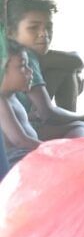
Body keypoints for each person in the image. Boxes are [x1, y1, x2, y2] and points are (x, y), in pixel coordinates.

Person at [6, 0, 84, 140]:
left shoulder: (17, 52)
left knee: (61, 71)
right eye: (33, 28)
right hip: (19, 132)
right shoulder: (25, 56)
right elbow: (48, 112)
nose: (44, 33)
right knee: (83, 128)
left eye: (48, 27)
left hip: (21, 125)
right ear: (11, 32)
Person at [0, 39, 41, 171]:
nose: (30, 71)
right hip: (16, 160)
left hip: (25, 154)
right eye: (23, 66)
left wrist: (30, 116)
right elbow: (19, 141)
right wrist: (52, 149)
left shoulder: (11, 97)